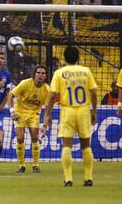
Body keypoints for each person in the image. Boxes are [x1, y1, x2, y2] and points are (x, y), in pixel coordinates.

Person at [43, 46, 97, 187]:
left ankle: (68, 179)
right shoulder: (86, 71)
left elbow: (52, 95)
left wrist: (47, 114)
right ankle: (88, 178)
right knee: (86, 145)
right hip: (84, 110)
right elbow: (94, 93)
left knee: (67, 145)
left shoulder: (60, 73)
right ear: (78, 57)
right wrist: (94, 112)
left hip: (68, 111)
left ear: (64, 58)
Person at [7, 65, 50, 173]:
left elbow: (48, 111)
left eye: (43, 73)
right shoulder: (25, 83)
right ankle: (21, 165)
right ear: (34, 74)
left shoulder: (48, 90)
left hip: (34, 113)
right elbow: (10, 95)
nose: (40, 75)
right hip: (19, 112)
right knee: (20, 138)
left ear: (45, 76)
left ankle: (36, 165)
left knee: (35, 137)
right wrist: (12, 111)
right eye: (38, 73)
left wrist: (45, 126)